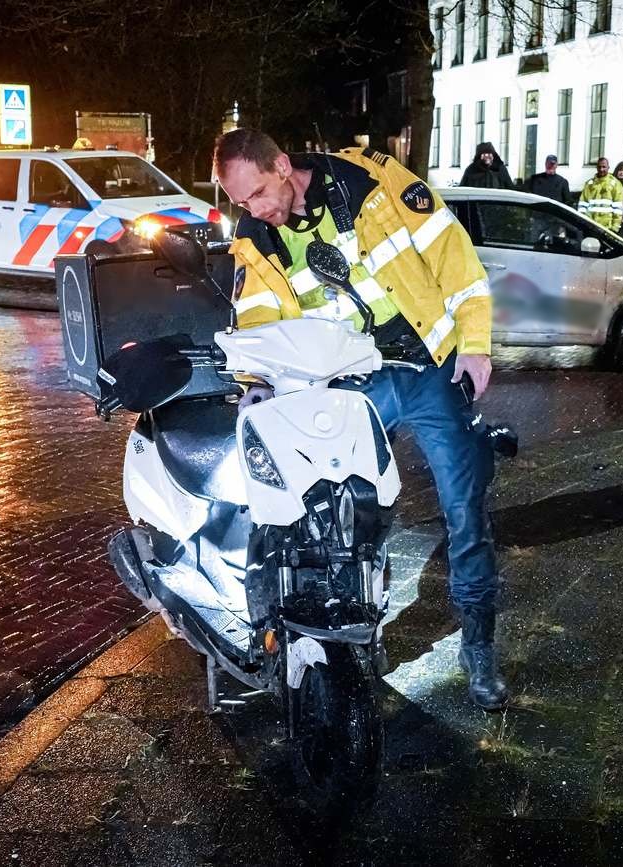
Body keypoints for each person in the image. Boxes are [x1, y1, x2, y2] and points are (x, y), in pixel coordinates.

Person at [213, 128, 508, 711]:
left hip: (430, 368)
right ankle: (353, 650)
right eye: (241, 202)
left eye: (258, 194)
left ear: (281, 164)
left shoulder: (371, 184)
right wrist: (256, 383)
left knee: (463, 509)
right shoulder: (256, 241)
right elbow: (257, 324)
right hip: (352, 385)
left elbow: (453, 258)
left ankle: (479, 645)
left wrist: (474, 343)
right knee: (342, 519)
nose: (254, 209)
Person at [578, 157, 623, 230]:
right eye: (599, 167)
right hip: (590, 226)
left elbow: (618, 208)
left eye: (604, 167)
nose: (601, 169)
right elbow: (582, 205)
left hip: (607, 228)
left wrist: (615, 227)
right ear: (596, 168)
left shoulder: (615, 184)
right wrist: (583, 224)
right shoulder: (589, 184)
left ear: (608, 167)